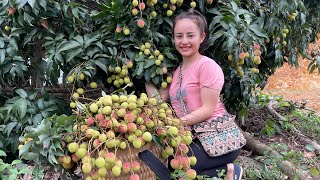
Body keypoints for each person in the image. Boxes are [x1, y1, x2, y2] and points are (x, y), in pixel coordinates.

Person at [145, 9, 244, 179]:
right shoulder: (176, 73)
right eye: (179, 36)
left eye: (190, 36)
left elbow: (207, 109)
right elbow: (158, 102)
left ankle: (230, 170)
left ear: (202, 37)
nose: (184, 41)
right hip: (193, 139)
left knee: (179, 168)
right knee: (159, 162)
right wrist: (145, 76)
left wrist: (175, 123)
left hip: (219, 138)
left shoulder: (207, 66)